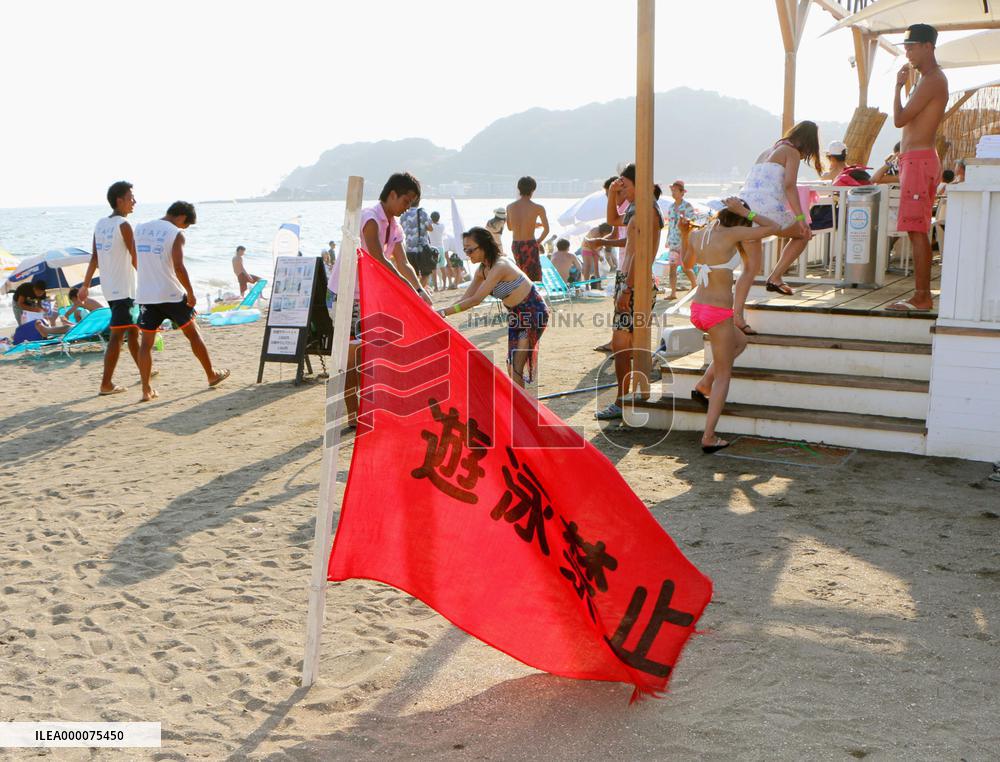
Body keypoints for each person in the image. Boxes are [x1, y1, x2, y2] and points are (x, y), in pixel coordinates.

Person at [327, 172, 433, 429]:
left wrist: (420, 290)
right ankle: (354, 416)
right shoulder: (370, 218)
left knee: (368, 355)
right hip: (345, 295)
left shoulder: (394, 227)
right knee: (351, 359)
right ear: (392, 194)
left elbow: (403, 262)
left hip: (367, 296)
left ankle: (365, 408)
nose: (407, 207)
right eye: (406, 200)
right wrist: (408, 289)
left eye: (412, 202)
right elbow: (378, 258)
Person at [686, 199, 780, 452]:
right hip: (717, 313)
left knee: (740, 341)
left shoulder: (697, 234)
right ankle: (708, 436)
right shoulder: (733, 233)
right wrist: (745, 211)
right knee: (724, 377)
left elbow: (686, 262)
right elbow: (773, 226)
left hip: (698, 309)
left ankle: (704, 383)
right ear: (737, 218)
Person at [135, 202, 229, 402]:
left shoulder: (140, 228)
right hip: (171, 294)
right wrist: (191, 293)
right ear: (182, 217)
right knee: (193, 334)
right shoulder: (175, 233)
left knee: (146, 344)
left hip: (146, 295)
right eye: (186, 225)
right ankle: (211, 374)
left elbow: (136, 259)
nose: (184, 229)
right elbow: (178, 266)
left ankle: (146, 390)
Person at [733, 120, 823, 329]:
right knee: (803, 235)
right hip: (767, 213)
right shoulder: (791, 153)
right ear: (809, 143)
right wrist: (801, 219)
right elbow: (789, 185)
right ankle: (775, 276)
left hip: (745, 210)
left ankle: (737, 316)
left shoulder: (766, 151)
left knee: (750, 269)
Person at [594, 164, 664, 421]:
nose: (619, 187)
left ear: (636, 184)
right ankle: (628, 398)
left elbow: (639, 252)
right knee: (628, 345)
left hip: (634, 282)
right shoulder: (639, 207)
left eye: (622, 184)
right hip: (633, 280)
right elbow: (613, 221)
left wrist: (627, 288)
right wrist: (612, 195)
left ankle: (622, 401)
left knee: (622, 346)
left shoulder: (645, 211)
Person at [886, 23, 948, 313]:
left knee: (917, 229)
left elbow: (899, 120)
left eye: (911, 46)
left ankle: (922, 297)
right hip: (917, 159)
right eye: (906, 46)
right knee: (915, 229)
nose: (907, 51)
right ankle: (921, 295)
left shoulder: (933, 79)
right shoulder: (927, 79)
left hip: (920, 160)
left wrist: (897, 88)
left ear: (927, 46)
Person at [439, 226, 548, 389]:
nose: (468, 255)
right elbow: (466, 298)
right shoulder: (482, 270)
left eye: (470, 250)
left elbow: (475, 300)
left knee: (516, 365)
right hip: (516, 314)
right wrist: (442, 313)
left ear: (484, 246)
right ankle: (520, 404)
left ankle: (521, 408)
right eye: (465, 251)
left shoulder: (500, 265)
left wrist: (443, 312)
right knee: (512, 364)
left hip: (533, 311)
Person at [79, 181, 144, 396]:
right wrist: (149, 281)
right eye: (131, 197)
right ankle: (106, 384)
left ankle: (145, 370)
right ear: (120, 200)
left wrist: (86, 285)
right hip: (124, 289)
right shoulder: (124, 225)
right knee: (118, 336)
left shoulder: (100, 224)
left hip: (112, 289)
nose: (134, 201)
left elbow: (95, 257)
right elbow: (135, 257)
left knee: (133, 333)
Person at [506, 176, 549, 282]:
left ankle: (521, 295)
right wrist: (538, 241)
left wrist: (530, 224)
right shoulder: (538, 208)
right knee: (533, 276)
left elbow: (510, 227)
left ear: (519, 189)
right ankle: (533, 296)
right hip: (530, 244)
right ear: (533, 189)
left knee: (520, 273)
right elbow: (546, 230)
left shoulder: (510, 207)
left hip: (516, 244)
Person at [664, 180, 697, 300]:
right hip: (673, 241)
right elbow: (670, 225)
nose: (673, 193)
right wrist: (667, 240)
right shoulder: (671, 207)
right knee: (672, 267)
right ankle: (673, 293)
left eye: (675, 190)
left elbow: (693, 222)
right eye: (672, 190)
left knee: (685, 267)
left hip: (684, 241)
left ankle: (694, 285)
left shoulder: (687, 206)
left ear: (682, 192)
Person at [401, 200, 435, 290]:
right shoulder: (422, 212)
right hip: (421, 248)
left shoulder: (403, 214)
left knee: (413, 275)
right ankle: (416, 293)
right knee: (426, 274)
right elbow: (431, 228)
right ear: (418, 200)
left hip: (408, 249)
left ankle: (414, 292)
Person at [428, 211, 447, 291]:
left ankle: (436, 287)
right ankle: (444, 285)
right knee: (442, 267)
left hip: (433, 248)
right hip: (441, 248)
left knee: (434, 269)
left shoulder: (431, 226)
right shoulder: (442, 226)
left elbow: (427, 226)